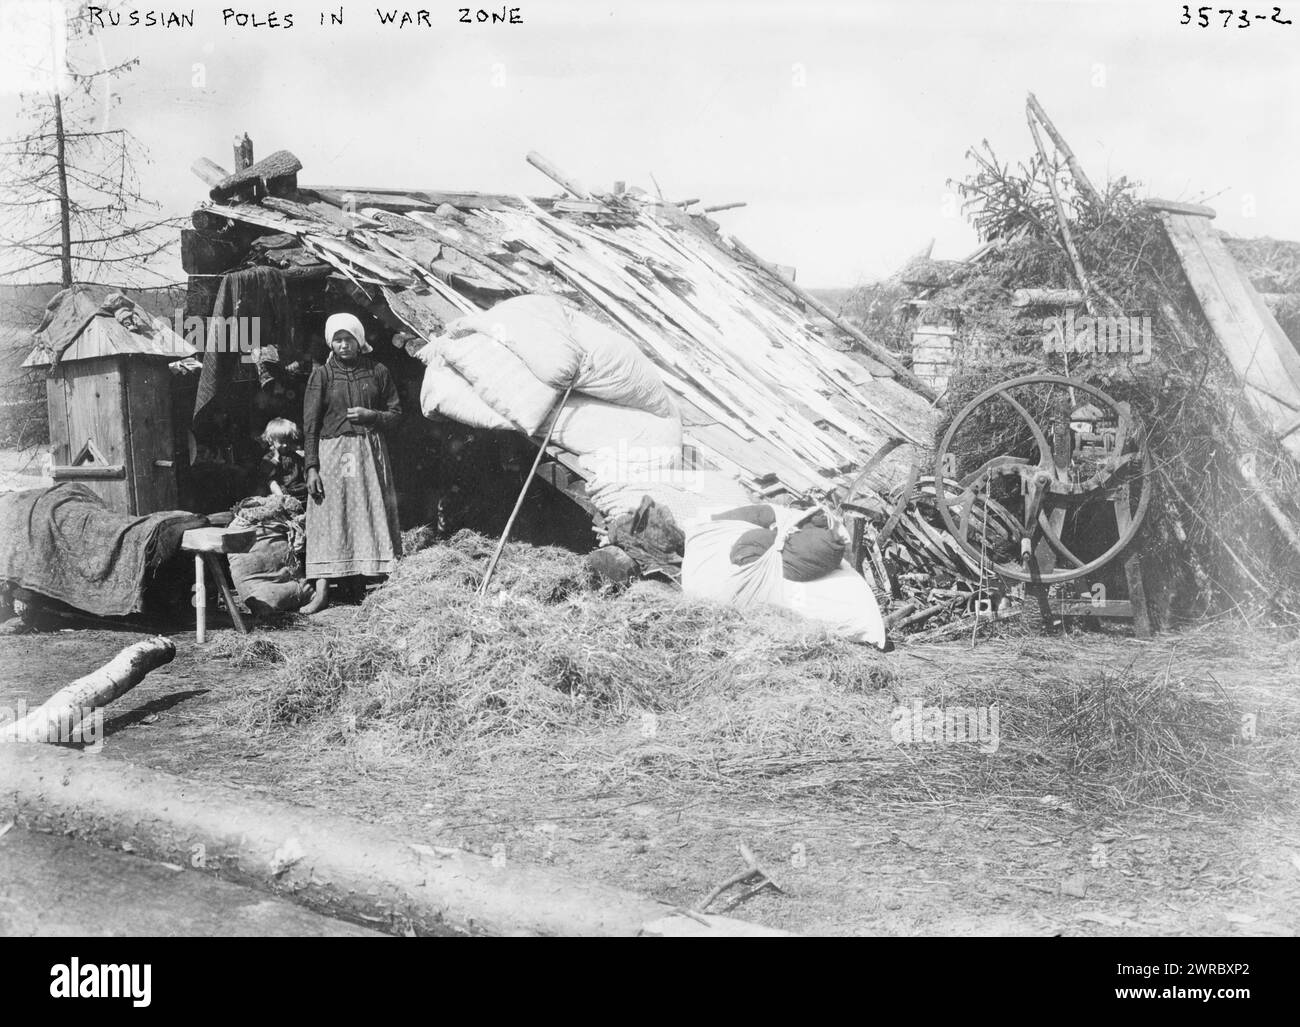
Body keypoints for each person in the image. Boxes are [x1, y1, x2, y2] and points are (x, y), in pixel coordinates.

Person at [302, 313, 403, 607]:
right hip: (332, 454)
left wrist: (373, 416)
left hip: (369, 452)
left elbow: (397, 415)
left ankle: (374, 581)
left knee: (369, 512)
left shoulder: (378, 371)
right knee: (329, 516)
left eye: (348, 339)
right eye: (337, 339)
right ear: (330, 343)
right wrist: (311, 467)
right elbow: (310, 425)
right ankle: (322, 589)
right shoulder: (322, 375)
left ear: (359, 341)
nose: (343, 345)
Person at [259, 417, 307, 501]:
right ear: (271, 440)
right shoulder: (269, 457)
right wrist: (275, 459)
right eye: (281, 442)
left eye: (288, 441)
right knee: (272, 483)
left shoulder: (294, 455)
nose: (285, 445)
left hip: (296, 488)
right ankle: (281, 498)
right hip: (281, 489)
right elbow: (266, 474)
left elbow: (302, 470)